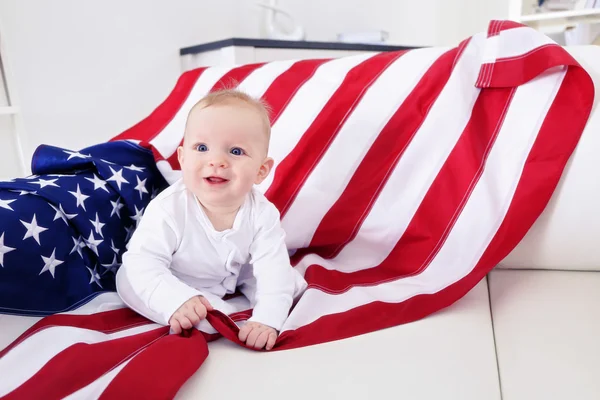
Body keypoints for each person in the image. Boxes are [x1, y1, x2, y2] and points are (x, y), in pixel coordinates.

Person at [116, 89, 306, 351]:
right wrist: (173, 298)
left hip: (229, 277)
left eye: (236, 151)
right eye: (202, 148)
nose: (216, 161)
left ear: (261, 170)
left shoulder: (262, 213)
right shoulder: (170, 209)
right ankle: (187, 307)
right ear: (183, 159)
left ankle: (234, 308)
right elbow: (143, 261)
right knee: (130, 278)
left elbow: (271, 267)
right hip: (171, 275)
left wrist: (267, 320)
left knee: (283, 280)